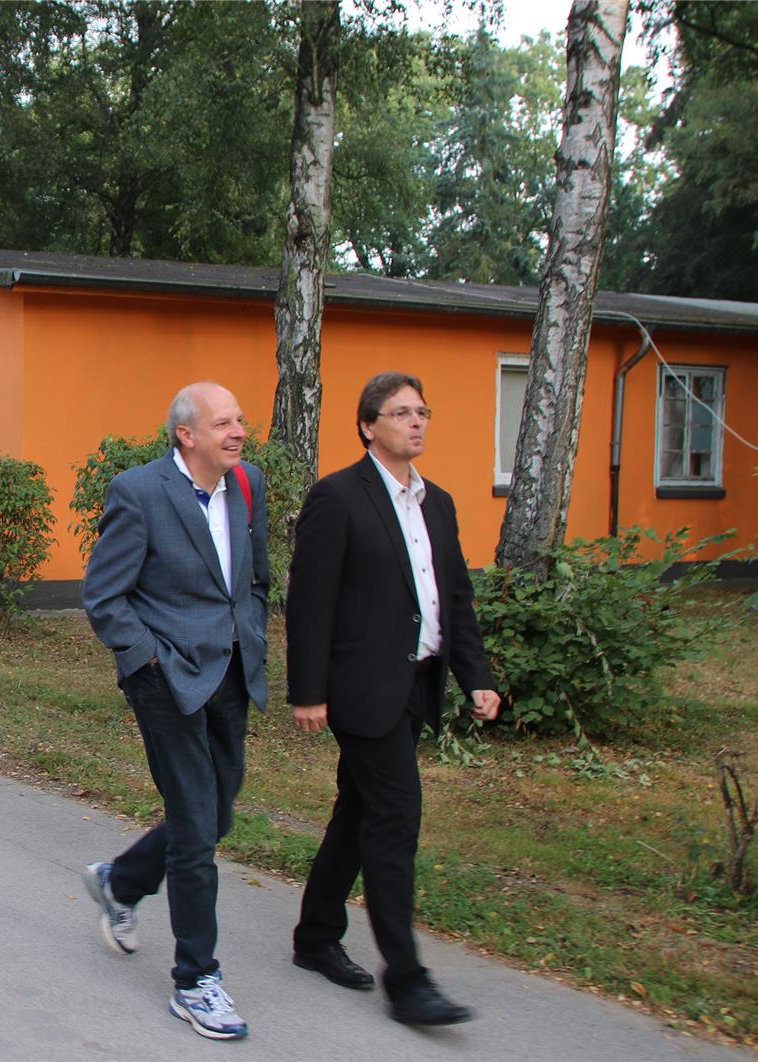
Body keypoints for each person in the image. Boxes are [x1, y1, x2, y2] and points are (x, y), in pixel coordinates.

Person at [285, 371, 500, 1026]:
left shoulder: (438, 504)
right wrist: (309, 691)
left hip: (416, 684)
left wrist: (477, 675)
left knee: (358, 811)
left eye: (423, 411)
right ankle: (407, 981)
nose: (417, 422)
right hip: (360, 687)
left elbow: (452, 597)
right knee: (396, 817)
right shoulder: (338, 497)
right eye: (402, 412)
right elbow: (310, 600)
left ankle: (316, 936)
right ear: (367, 425)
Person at [78, 382, 269, 1041]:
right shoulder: (141, 491)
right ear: (186, 434)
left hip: (230, 673)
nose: (238, 431)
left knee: (217, 811)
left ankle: (121, 881)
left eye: (239, 420)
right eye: (223, 423)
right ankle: (196, 981)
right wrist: (146, 662)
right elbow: (105, 594)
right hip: (167, 681)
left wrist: (255, 638)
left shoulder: (248, 486)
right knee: (195, 828)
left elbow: (255, 579)